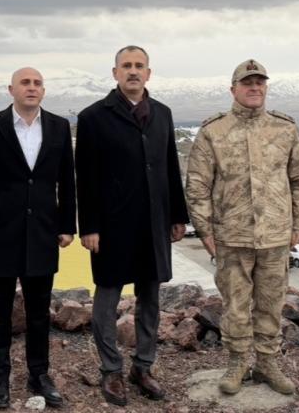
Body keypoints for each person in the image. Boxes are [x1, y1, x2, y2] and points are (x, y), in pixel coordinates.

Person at [185, 59, 299, 395]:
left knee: (271, 303)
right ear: (233, 89)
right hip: (231, 236)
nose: (254, 88)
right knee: (236, 306)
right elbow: (197, 185)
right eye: (247, 83)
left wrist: (298, 223)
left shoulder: (285, 129)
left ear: (265, 87)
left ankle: (267, 363)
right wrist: (205, 231)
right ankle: (237, 362)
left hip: (275, 235)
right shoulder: (214, 131)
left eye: (259, 83)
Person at [75, 45, 190, 406]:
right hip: (112, 226)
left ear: (148, 73)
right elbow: (86, 179)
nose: (133, 71)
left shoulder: (163, 114)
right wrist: (89, 226)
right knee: (107, 299)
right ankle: (111, 370)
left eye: (139, 65)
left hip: (153, 223)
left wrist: (177, 216)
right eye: (126, 65)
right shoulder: (93, 117)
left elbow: (170, 167)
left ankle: (143, 367)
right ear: (115, 73)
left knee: (150, 298)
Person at [0, 67, 76, 409]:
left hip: (43, 230)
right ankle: (0, 376)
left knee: (39, 311)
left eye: (37, 83)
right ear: (11, 89)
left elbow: (66, 180)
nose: (32, 88)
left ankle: (39, 374)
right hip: (0, 230)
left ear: (43, 90)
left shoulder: (59, 127)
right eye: (25, 83)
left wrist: (67, 225)